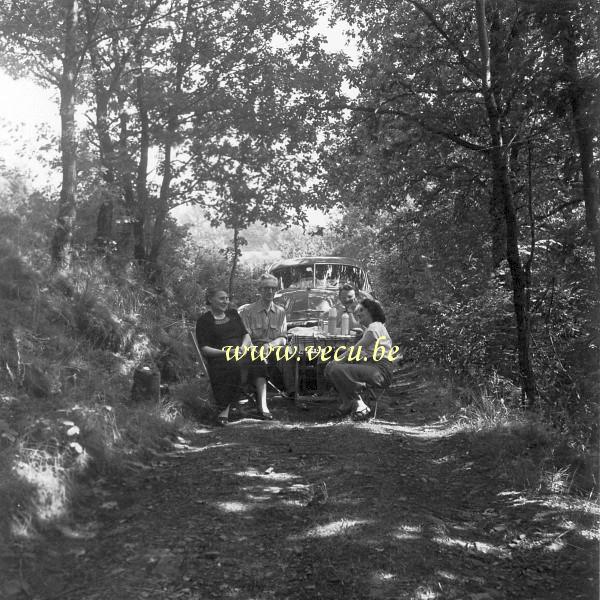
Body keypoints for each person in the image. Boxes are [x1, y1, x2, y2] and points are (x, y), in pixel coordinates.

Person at [196, 288, 272, 425]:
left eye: (227, 298)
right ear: (210, 300)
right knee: (233, 366)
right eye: (221, 298)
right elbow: (205, 349)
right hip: (220, 357)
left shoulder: (233, 314)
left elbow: (246, 335)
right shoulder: (204, 321)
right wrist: (227, 353)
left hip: (241, 352)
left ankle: (263, 405)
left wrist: (243, 347)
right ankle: (224, 410)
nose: (226, 301)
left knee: (259, 360)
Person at [325, 298, 396, 421]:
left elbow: (356, 349)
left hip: (380, 371)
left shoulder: (374, 327)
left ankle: (359, 403)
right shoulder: (373, 328)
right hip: (373, 368)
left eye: (361, 310)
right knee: (331, 368)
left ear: (371, 311)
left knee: (335, 368)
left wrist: (337, 360)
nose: (358, 313)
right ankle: (348, 402)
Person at [239, 274, 296, 400]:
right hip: (253, 348)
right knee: (252, 357)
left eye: (273, 288)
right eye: (266, 288)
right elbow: (245, 336)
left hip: (273, 347)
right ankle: (248, 392)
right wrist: (257, 349)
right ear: (259, 290)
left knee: (288, 352)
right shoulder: (247, 311)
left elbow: (283, 337)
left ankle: (291, 393)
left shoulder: (281, 311)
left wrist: (269, 345)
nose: (270, 291)